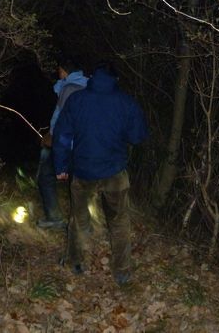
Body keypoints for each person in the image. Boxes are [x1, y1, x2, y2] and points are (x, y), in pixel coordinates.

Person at [53, 63, 148, 285]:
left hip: (83, 170)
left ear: (92, 78)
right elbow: (137, 136)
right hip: (114, 171)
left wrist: (61, 166)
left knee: (78, 218)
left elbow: (62, 135)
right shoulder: (126, 102)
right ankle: (122, 271)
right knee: (119, 221)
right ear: (116, 79)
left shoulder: (77, 100)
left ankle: (75, 261)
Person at [36, 57, 88, 229]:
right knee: (78, 183)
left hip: (65, 143)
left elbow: (62, 118)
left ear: (65, 71)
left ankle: (54, 218)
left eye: (59, 69)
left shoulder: (69, 88)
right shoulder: (88, 87)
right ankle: (83, 224)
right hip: (83, 144)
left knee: (45, 176)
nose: (58, 72)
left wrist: (51, 136)